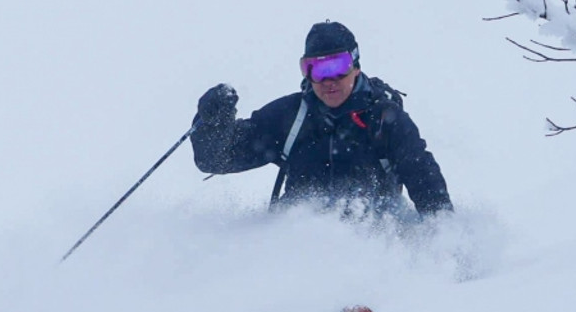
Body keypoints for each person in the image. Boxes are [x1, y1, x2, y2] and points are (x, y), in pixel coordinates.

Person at [192, 20, 452, 218]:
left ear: (356, 66)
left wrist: (447, 248)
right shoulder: (291, 117)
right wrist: (214, 123)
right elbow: (216, 158)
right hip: (297, 251)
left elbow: (426, 184)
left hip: (377, 247)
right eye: (315, 70)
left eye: (337, 67)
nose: (328, 82)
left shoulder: (384, 120)